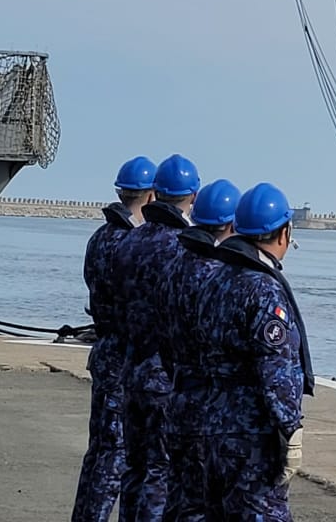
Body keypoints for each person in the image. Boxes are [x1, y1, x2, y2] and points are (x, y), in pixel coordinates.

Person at [172, 183, 311, 522]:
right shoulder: (264, 290)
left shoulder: (214, 280)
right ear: (284, 233)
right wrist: (290, 430)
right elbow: (275, 370)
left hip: (206, 421)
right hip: (250, 435)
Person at [125, 179, 241, 522]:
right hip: (200, 398)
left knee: (145, 472)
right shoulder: (218, 275)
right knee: (178, 487)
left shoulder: (170, 263)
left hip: (159, 377)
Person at [112, 155, 206, 522]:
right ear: (193, 196)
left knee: (134, 466)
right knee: (160, 471)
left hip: (131, 365)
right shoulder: (184, 247)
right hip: (165, 374)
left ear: (156, 194)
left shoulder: (128, 241)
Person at [73, 154, 163, 522]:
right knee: (118, 454)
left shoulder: (100, 238)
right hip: (127, 354)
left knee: (100, 450)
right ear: (152, 195)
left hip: (105, 348)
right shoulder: (133, 242)